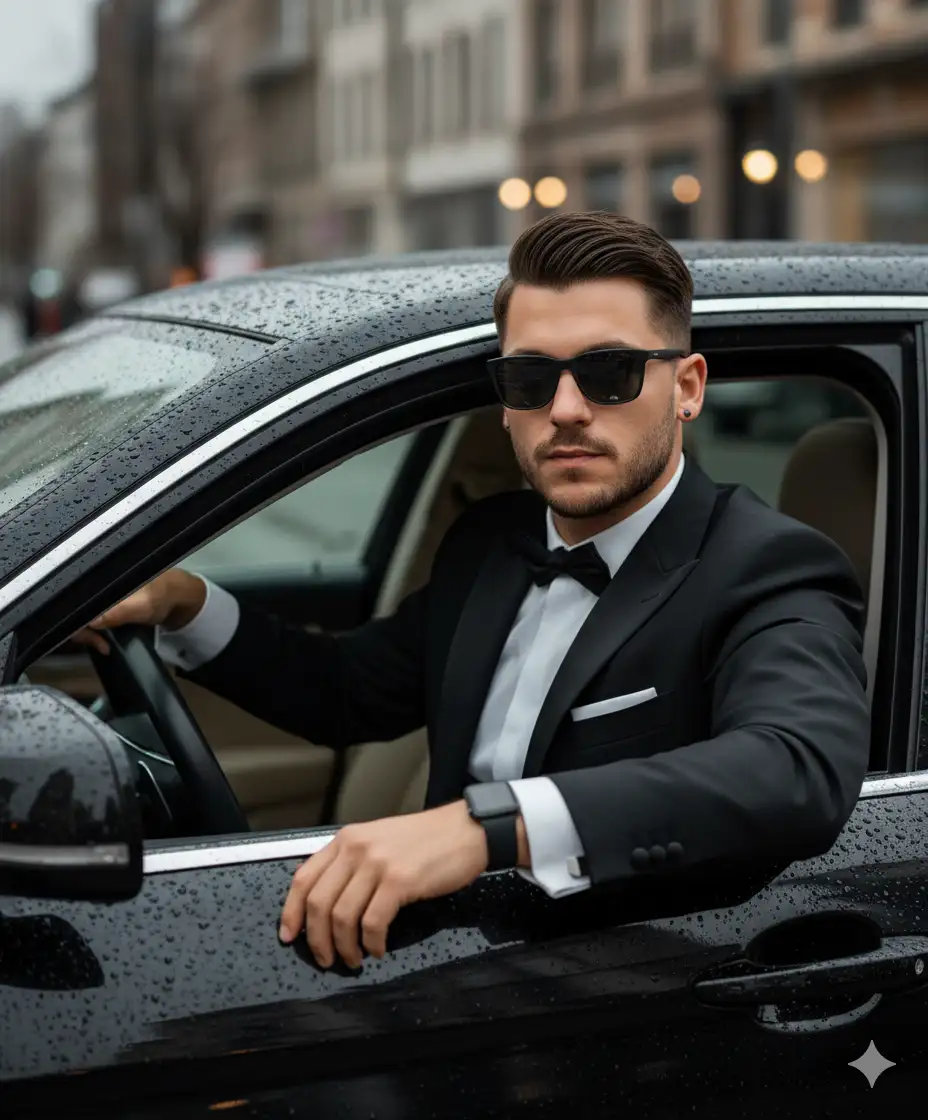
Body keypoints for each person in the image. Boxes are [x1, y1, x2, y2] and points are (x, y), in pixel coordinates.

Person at [76, 212, 871, 970]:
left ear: (688, 387)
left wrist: (484, 828)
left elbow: (793, 769)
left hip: (636, 987)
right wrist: (184, 601)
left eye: (610, 373)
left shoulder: (767, 565)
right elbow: (347, 692)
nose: (566, 410)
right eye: (531, 378)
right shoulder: (490, 544)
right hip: (445, 964)